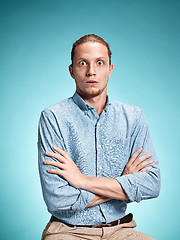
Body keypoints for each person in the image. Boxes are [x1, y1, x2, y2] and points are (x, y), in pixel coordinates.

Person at [38, 34, 161, 240]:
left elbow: (151, 184)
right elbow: (56, 199)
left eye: (100, 63)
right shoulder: (53, 118)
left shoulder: (134, 117)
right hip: (68, 232)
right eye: (82, 63)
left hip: (121, 230)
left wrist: (82, 181)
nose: (91, 71)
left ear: (110, 69)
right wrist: (122, 183)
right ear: (71, 71)